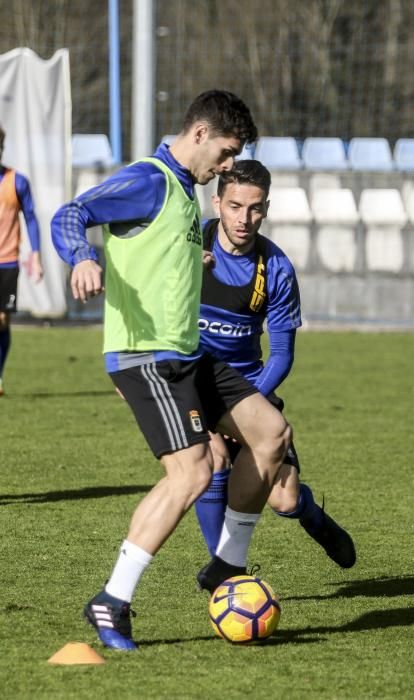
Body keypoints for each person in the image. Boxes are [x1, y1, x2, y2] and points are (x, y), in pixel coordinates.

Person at [51, 90, 291, 652]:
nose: (230, 166)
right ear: (201, 134)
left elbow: (153, 253)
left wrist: (190, 259)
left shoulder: (185, 191)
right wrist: (82, 256)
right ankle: (111, 600)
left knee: (271, 432)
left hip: (189, 352)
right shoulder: (151, 179)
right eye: (228, 152)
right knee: (192, 474)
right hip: (148, 356)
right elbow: (73, 213)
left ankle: (224, 566)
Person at [194, 159, 356, 569]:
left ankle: (315, 518)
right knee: (211, 462)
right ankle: (226, 571)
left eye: (254, 208)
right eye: (234, 206)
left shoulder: (277, 268)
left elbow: (282, 355)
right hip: (190, 381)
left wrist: (246, 405)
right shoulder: (188, 245)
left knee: (284, 500)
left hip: (248, 386)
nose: (244, 218)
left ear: (266, 207)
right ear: (217, 203)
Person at [0, 124, 43, 396]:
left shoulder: (17, 181)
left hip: (7, 262)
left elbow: (31, 218)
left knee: (2, 320)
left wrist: (35, 256)